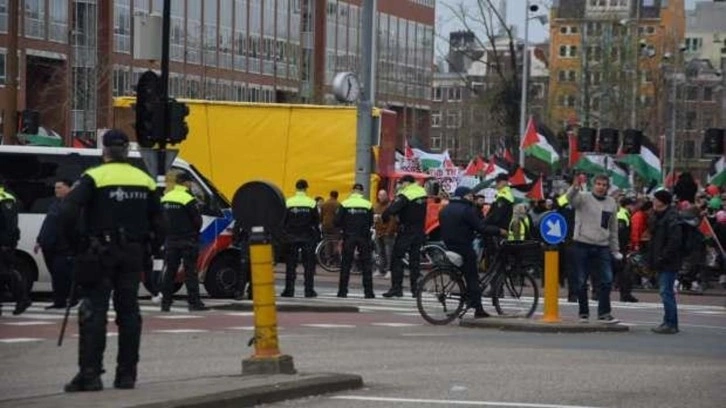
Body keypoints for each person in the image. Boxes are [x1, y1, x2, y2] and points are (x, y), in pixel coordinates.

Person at [59, 129, 162, 392]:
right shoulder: (145, 179)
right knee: (129, 314)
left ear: (105, 151)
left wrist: (76, 244)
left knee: (93, 313)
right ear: (127, 150)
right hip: (132, 254)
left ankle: (90, 375)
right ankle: (126, 375)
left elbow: (68, 211)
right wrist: (149, 249)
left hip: (99, 254)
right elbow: (161, 222)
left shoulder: (94, 177)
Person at [439, 187, 505, 318]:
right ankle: (478, 308)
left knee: (463, 273)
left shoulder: (445, 209)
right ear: (464, 196)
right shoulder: (466, 210)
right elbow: (480, 227)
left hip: (449, 245)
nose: (471, 198)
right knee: (472, 277)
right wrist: (498, 231)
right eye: (470, 196)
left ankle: (469, 298)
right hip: (463, 246)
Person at [566, 173, 621, 324]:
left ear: (607, 187)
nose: (601, 187)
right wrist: (575, 187)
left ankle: (604, 313)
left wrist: (615, 249)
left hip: (602, 245)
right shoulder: (583, 197)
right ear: (593, 185)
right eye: (598, 184)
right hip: (582, 243)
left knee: (607, 280)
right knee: (581, 280)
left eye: (604, 185)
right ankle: (583, 313)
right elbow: (570, 199)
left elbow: (613, 227)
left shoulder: (611, 203)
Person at [160, 172, 208, 312]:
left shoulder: (166, 198)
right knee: (190, 272)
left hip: (171, 240)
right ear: (186, 183)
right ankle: (194, 302)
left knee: (170, 271)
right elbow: (197, 221)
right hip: (188, 240)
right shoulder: (188, 199)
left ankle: (165, 302)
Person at [382, 175, 427, 298]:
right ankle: (415, 289)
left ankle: (396, 288)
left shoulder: (406, 194)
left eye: (401, 183)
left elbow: (392, 209)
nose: (400, 186)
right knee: (415, 261)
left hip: (406, 231)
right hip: (419, 231)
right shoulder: (422, 192)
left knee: (397, 258)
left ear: (406, 183)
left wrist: (384, 216)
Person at [35, 179, 75, 309]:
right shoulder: (55, 204)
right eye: (55, 187)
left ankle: (67, 299)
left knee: (62, 274)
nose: (56, 190)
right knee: (56, 275)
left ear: (69, 188)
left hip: (63, 247)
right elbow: (47, 224)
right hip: (50, 245)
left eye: (59, 187)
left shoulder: (72, 204)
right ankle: (61, 300)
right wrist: (40, 240)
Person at [647, 189, 682, 334]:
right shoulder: (659, 216)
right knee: (666, 291)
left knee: (666, 291)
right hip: (662, 259)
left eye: (656, 199)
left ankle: (670, 323)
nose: (653, 201)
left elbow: (674, 241)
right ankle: (668, 321)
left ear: (662, 201)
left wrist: (663, 257)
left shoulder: (671, 218)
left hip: (668, 260)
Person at [280, 179, 319, 298]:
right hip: (307, 237)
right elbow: (316, 221)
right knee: (308, 266)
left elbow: (283, 220)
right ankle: (309, 291)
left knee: (291, 265)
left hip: (291, 237)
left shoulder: (288, 202)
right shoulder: (311, 203)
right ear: (306, 188)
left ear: (296, 188)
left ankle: (289, 290)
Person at [335, 184, 375, 298]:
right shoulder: (368, 204)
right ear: (362, 192)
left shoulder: (345, 203)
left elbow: (337, 221)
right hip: (363, 237)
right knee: (366, 265)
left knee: (346, 264)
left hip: (349, 236)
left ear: (352, 191)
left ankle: (342, 292)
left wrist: (345, 226)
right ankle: (368, 292)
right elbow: (371, 221)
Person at [0, 176, 31, 316]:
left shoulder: (5, 197)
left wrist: (6, 243)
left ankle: (22, 298)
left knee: (5, 273)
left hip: (3, 243)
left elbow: (10, 225)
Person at [615, 197, 639, 303]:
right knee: (624, 272)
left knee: (622, 272)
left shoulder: (624, 214)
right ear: (628, 205)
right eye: (633, 205)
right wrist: (624, 246)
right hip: (620, 248)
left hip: (619, 247)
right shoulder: (622, 215)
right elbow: (621, 233)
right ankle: (625, 294)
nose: (634, 208)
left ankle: (625, 294)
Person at [373, 189, 396, 279]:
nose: (381, 197)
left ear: (386, 196)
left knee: (388, 253)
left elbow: (392, 220)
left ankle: (389, 270)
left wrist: (389, 231)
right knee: (380, 252)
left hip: (387, 233)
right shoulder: (376, 206)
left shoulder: (390, 206)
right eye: (380, 195)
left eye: (383, 195)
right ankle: (380, 269)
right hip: (378, 232)